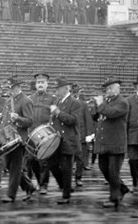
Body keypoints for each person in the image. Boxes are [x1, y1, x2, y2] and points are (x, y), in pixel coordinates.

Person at [92, 78, 130, 210]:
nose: (107, 91)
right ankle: (122, 188)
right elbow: (96, 117)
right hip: (104, 143)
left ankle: (114, 199)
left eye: (110, 88)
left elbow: (112, 113)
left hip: (116, 143)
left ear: (117, 88)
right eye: (106, 89)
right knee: (103, 168)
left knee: (113, 172)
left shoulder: (122, 102)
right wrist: (96, 106)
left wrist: (101, 105)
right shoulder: (106, 101)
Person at [44, 77, 81, 205]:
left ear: (66, 88)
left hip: (69, 140)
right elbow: (54, 120)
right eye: (56, 89)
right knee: (51, 163)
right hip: (57, 140)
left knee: (66, 168)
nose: (57, 91)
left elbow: (73, 120)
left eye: (59, 89)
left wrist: (58, 113)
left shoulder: (74, 102)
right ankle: (65, 185)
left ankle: (66, 195)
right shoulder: (57, 101)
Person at [0, 77, 36, 204]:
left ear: (17, 87)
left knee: (15, 167)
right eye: (9, 88)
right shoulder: (8, 101)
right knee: (8, 165)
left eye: (11, 88)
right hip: (8, 138)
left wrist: (18, 119)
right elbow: (4, 119)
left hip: (19, 139)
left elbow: (30, 121)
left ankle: (11, 195)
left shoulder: (26, 101)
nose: (10, 90)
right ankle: (29, 187)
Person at [27, 73, 56, 194]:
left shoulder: (52, 99)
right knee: (32, 160)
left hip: (45, 134)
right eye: (38, 82)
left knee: (44, 160)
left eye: (42, 83)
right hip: (31, 134)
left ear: (47, 84)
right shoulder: (30, 98)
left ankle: (44, 185)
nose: (40, 85)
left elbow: (54, 116)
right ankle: (39, 181)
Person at [72, 83, 93, 188]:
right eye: (74, 90)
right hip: (69, 135)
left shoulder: (83, 104)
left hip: (81, 134)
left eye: (77, 90)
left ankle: (78, 178)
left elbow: (88, 119)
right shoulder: (65, 102)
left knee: (80, 158)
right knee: (67, 159)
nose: (76, 92)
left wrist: (89, 134)